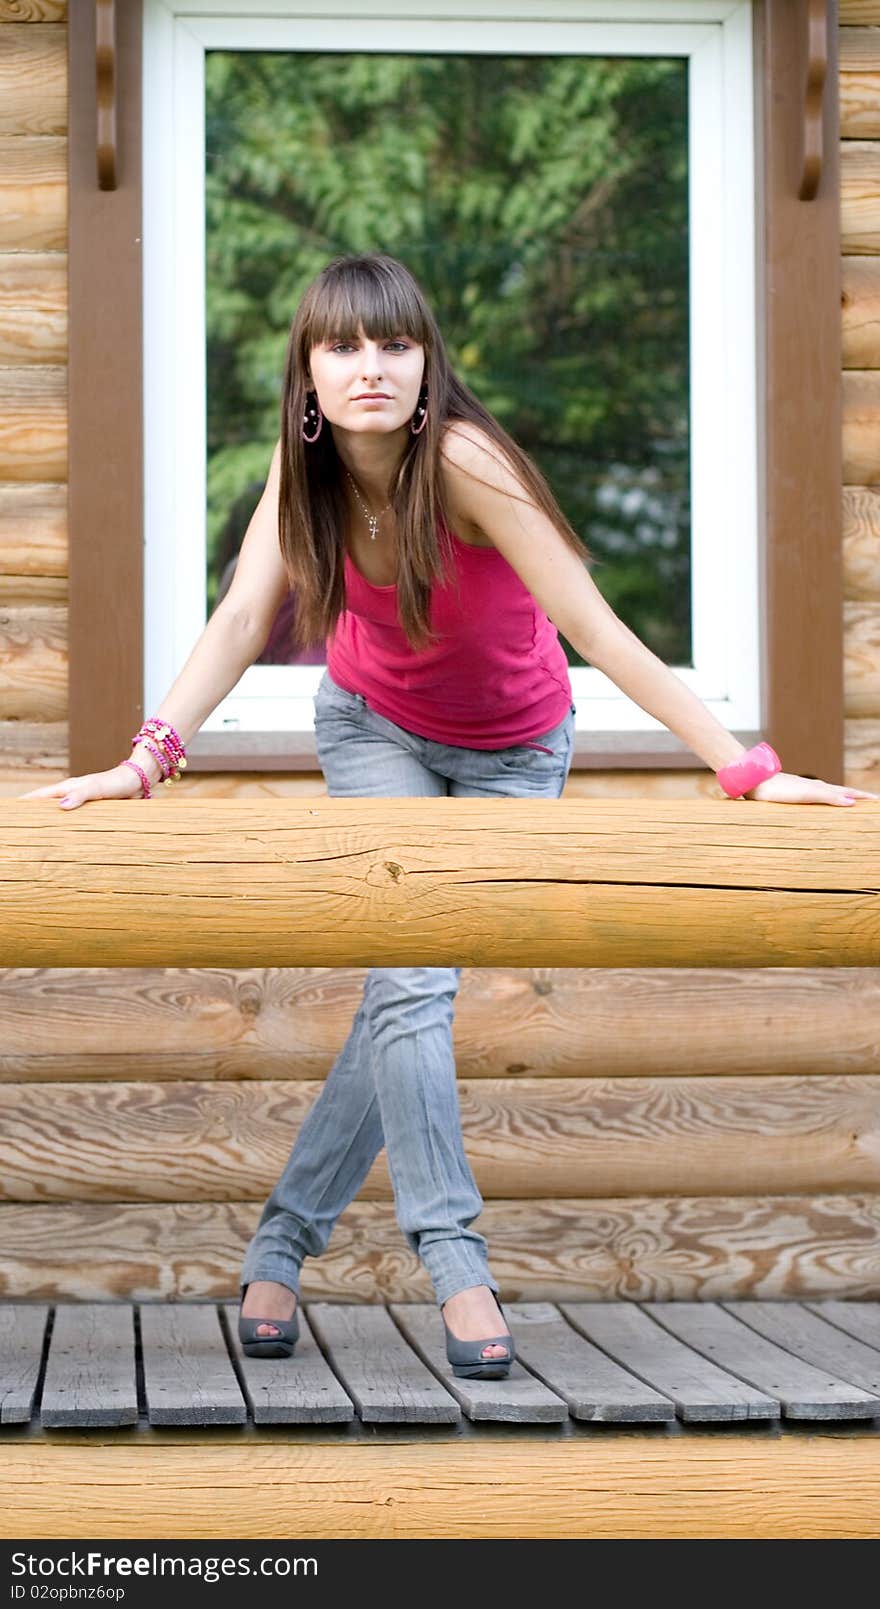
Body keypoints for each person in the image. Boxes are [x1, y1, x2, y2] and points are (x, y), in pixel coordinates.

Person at [20, 252, 878, 1380]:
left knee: (400, 995)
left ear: (427, 365)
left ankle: (279, 1245)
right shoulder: (302, 476)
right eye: (341, 347)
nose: (368, 368)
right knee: (411, 988)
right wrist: (144, 763)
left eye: (393, 344)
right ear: (308, 374)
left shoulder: (466, 461)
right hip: (374, 730)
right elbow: (237, 625)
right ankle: (456, 1263)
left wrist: (748, 772)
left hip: (517, 753)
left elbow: (599, 631)